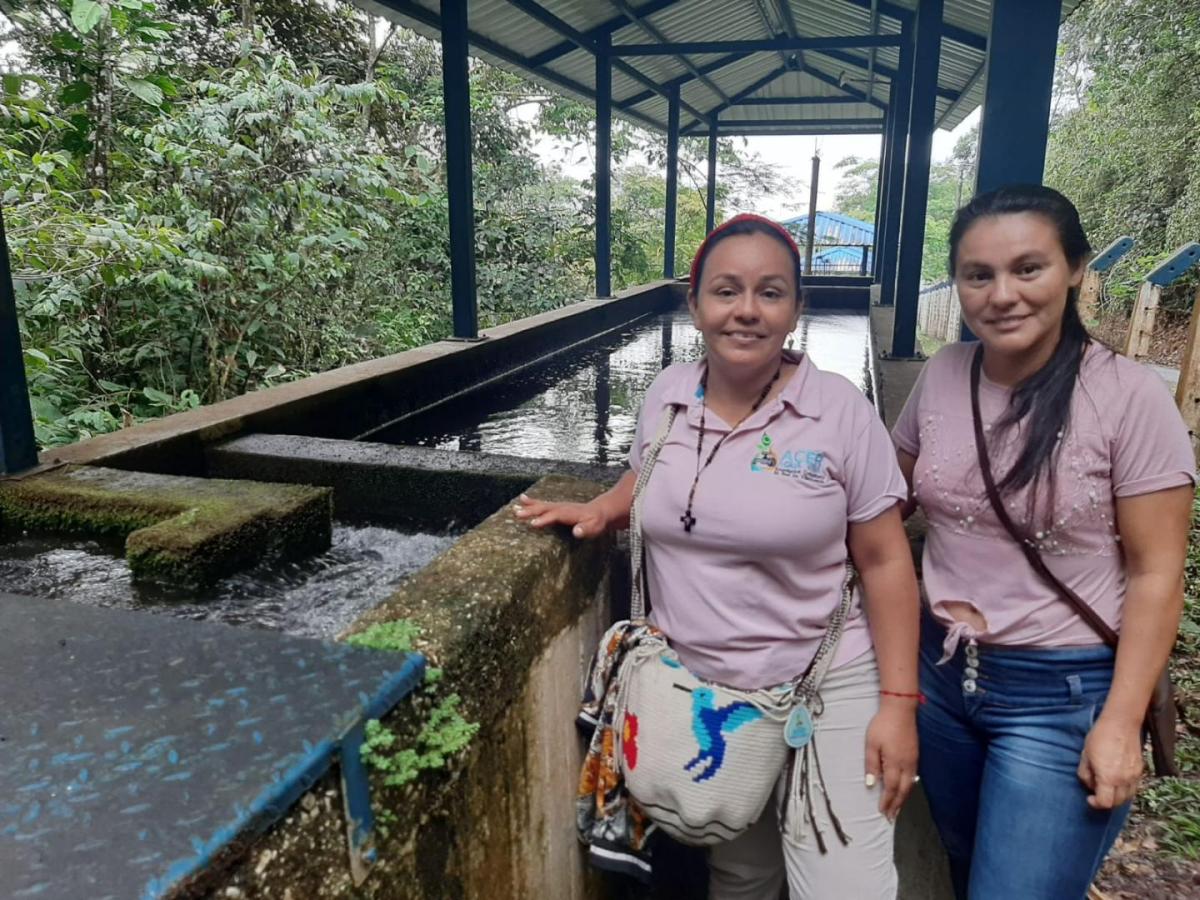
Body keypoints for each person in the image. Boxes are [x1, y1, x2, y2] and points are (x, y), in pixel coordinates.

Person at [516, 213, 921, 899]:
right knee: (741, 873)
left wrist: (899, 705)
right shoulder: (667, 396)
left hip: (826, 684)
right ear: (695, 304)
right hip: (708, 692)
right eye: (726, 291)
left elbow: (885, 562)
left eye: (771, 292)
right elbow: (645, 477)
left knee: (843, 882)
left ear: (797, 307)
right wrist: (604, 508)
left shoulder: (840, 411)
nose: (747, 311)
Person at [892, 184, 1196, 899]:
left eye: (1028, 269)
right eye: (979, 275)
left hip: (1062, 693)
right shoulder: (942, 376)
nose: (1002, 294)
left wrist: (1121, 724)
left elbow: (1158, 573)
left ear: (1077, 270)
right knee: (965, 870)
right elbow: (877, 499)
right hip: (941, 679)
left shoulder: (1126, 397)